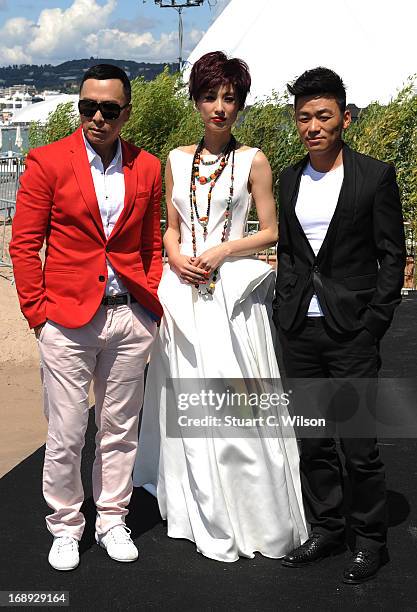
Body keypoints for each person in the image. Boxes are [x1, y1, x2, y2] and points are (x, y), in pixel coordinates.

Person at [133, 51, 308, 562]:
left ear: (241, 105)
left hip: (230, 296)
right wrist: (176, 255)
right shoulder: (176, 159)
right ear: (195, 101)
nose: (219, 107)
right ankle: (191, 501)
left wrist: (224, 249)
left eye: (230, 98)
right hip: (185, 292)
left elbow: (272, 231)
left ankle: (250, 508)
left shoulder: (253, 159)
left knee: (236, 401)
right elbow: (167, 226)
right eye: (210, 96)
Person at [9, 64, 163, 571]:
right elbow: (25, 244)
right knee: (68, 432)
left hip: (128, 318)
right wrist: (38, 314)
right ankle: (66, 525)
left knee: (120, 429)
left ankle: (112, 518)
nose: (97, 117)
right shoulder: (47, 161)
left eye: (109, 109)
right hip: (67, 322)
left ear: (126, 113)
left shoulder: (146, 167)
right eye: (88, 107)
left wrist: (150, 302)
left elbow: (150, 243)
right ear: (80, 107)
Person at [273, 67, 406, 583]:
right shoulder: (288, 179)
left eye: (323, 115)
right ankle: (327, 529)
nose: (313, 126)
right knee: (313, 441)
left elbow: (392, 256)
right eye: (304, 117)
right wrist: (286, 308)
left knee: (359, 444)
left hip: (352, 332)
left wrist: (375, 321)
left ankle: (370, 541)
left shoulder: (375, 177)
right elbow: (289, 251)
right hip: (299, 334)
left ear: (344, 119)